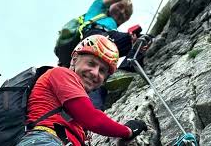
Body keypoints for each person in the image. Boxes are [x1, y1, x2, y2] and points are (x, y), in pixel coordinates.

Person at [18, 35, 148, 146]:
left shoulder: (72, 102)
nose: (95, 73)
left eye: (102, 70)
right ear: (74, 58)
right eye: (91, 63)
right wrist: (128, 131)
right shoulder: (61, 74)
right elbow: (93, 119)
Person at [56, 0, 177, 68]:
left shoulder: (113, 30)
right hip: (95, 36)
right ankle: (124, 70)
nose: (122, 12)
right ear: (112, 3)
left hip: (101, 43)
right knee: (145, 38)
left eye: (126, 14)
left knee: (141, 42)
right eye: (120, 6)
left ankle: (124, 71)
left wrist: (132, 44)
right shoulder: (98, 7)